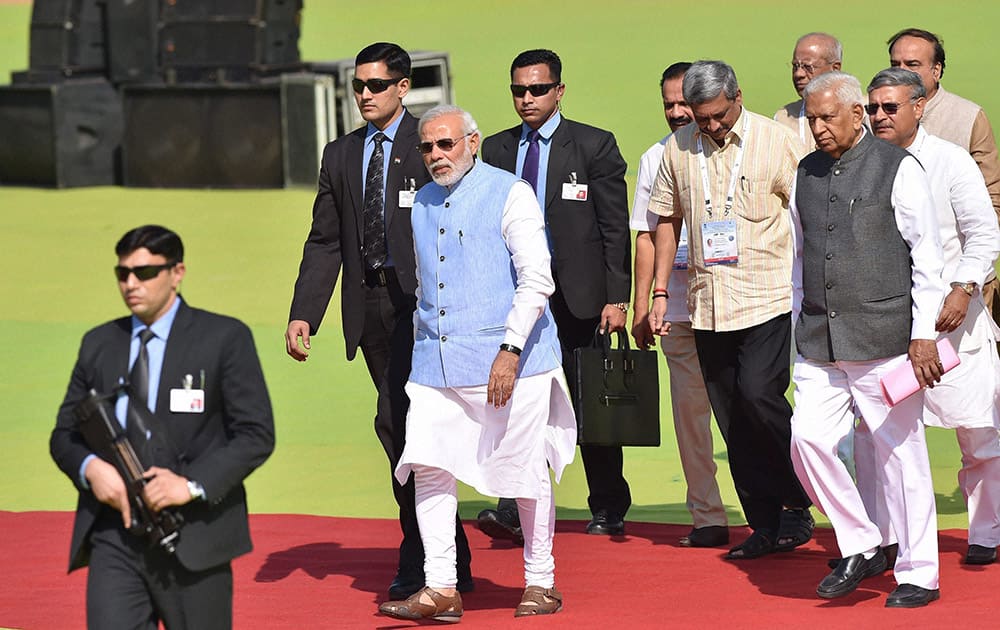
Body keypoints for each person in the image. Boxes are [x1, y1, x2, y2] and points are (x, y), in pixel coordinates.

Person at [284, 42, 472, 598]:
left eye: (375, 85)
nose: (365, 95)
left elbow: (463, 227)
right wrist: (304, 314)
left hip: (426, 310)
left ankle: (420, 557)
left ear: (402, 88)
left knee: (403, 425)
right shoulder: (340, 155)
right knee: (400, 429)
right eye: (358, 86)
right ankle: (447, 555)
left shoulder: (431, 143)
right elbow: (324, 241)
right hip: (367, 307)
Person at [378, 105, 577, 622]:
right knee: (429, 467)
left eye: (447, 144)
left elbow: (537, 279)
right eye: (427, 147)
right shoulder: (420, 201)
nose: (437, 155)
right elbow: (424, 284)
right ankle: (441, 586)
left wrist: (510, 350)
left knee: (526, 471)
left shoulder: (511, 192)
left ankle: (541, 581)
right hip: (434, 364)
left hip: (512, 362)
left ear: (473, 141)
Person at [50, 225, 275, 629]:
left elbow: (256, 434)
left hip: (196, 537)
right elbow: (64, 435)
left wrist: (188, 485)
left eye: (144, 273)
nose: (131, 284)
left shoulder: (224, 338)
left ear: (177, 272)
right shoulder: (99, 343)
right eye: (123, 274)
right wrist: (90, 469)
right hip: (113, 536)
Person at [788, 71, 944, 608]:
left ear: (858, 114)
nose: (818, 127)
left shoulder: (898, 168)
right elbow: (799, 263)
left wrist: (922, 337)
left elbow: (928, 259)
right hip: (819, 341)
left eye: (827, 117)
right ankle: (860, 539)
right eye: (810, 118)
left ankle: (919, 572)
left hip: (886, 340)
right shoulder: (804, 172)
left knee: (902, 457)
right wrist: (796, 336)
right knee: (806, 439)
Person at [647, 60, 813, 561]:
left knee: (760, 396)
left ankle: (798, 494)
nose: (712, 126)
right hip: (707, 302)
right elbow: (666, 220)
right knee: (732, 417)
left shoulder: (777, 139)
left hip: (768, 295)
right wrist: (659, 294)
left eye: (719, 115)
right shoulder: (677, 149)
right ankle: (764, 526)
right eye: (702, 118)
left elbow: (806, 212)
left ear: (737, 96)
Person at [479, 48, 632, 538]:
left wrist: (617, 297)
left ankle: (608, 506)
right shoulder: (497, 149)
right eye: (519, 90)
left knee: (590, 403)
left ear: (559, 90)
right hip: (518, 299)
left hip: (581, 299)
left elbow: (614, 229)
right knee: (515, 402)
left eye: (538, 89)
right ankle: (512, 505)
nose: (527, 98)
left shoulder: (593, 146)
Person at [864, 67, 1000, 566]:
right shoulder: (861, 163)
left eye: (890, 107)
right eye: (872, 107)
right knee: (880, 435)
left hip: (951, 322)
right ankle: (887, 538)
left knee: (978, 430)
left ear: (919, 107)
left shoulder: (951, 160)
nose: (879, 116)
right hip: (886, 324)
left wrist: (964, 289)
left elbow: (984, 234)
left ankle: (985, 530)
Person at [631, 61, 728, 548]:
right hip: (680, 307)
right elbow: (646, 236)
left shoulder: (738, 148)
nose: (675, 112)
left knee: (747, 408)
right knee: (690, 415)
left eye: (683, 103)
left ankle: (777, 509)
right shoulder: (657, 157)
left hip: (734, 303)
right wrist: (642, 302)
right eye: (667, 103)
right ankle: (708, 515)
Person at [888, 28, 1000, 326]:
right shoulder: (878, 115)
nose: (901, 72)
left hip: (962, 281)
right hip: (897, 282)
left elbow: (992, 198)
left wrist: (968, 278)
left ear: (936, 70)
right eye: (894, 64)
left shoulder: (967, 116)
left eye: (912, 65)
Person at [774, 32, 843, 148]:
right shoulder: (783, 118)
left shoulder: (864, 112)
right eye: (795, 66)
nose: (798, 74)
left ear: (835, 69)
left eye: (808, 67)